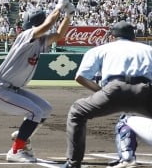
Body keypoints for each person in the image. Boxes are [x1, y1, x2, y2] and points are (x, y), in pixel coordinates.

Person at [0, 0, 75, 163]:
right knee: (36, 112)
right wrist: (58, 7)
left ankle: (22, 136)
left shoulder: (39, 41)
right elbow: (48, 24)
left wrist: (68, 16)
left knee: (45, 109)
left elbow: (58, 35)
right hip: (0, 90)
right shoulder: (26, 36)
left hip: (13, 89)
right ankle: (15, 150)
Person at [62, 21, 152, 168]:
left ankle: (73, 163)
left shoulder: (101, 49)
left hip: (113, 89)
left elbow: (80, 77)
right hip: (144, 90)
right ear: (134, 37)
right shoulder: (148, 49)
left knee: (76, 112)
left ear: (112, 36)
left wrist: (101, 92)